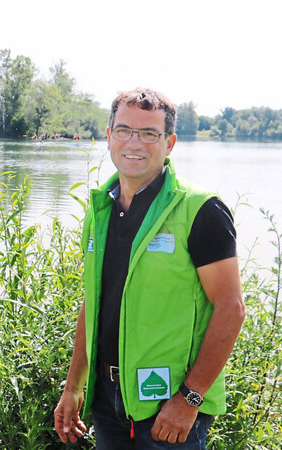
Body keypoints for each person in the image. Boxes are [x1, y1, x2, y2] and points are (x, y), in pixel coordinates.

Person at [54, 88, 245, 448]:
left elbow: (231, 310)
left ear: (170, 143)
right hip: (107, 402)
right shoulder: (100, 210)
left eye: (149, 134)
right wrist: (74, 387)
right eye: (124, 130)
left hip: (169, 407)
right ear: (109, 137)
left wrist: (190, 399)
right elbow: (92, 302)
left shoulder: (201, 210)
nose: (134, 143)